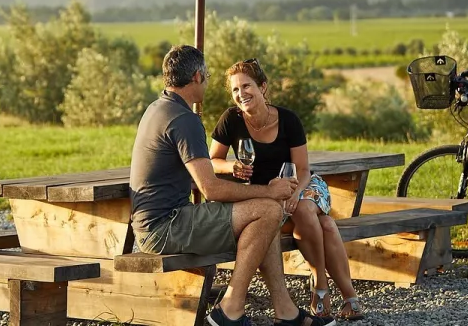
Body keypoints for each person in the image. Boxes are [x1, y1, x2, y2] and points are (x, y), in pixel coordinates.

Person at [130, 45, 336, 326]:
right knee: (268, 210)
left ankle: (285, 312)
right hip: (165, 226)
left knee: (265, 216)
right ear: (197, 77)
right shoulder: (184, 119)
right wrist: (269, 190)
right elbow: (211, 190)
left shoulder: (158, 108)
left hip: (155, 221)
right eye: (208, 75)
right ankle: (230, 309)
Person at [209, 59, 365, 321]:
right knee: (325, 224)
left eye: (247, 86)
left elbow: (303, 170)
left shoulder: (288, 119)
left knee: (305, 209)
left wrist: (293, 194)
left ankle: (321, 287)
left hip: (302, 185)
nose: (241, 94)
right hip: (263, 192)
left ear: (262, 87)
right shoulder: (230, 120)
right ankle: (349, 298)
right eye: (235, 90)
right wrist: (231, 166)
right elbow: (212, 161)